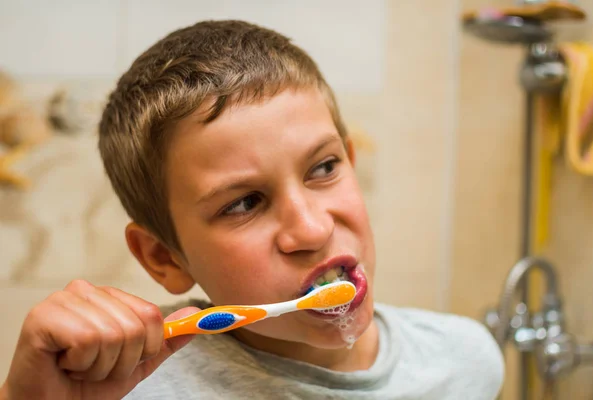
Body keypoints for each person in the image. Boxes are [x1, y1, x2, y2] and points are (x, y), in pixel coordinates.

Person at [0, 20, 504, 400]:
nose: (311, 227)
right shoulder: (130, 389)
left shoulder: (465, 362)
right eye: (244, 203)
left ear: (351, 162)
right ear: (164, 258)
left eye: (324, 168)